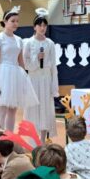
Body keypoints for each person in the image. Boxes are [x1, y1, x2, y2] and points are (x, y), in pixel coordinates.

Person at [0, 6, 38, 132]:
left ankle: (9, 136)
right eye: (12, 21)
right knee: (2, 109)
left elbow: (21, 61)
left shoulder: (19, 40)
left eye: (17, 21)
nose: (15, 23)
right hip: (3, 74)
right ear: (5, 21)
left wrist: (25, 79)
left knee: (13, 110)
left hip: (16, 75)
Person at [22, 8, 59, 142]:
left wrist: (54, 87)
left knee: (45, 109)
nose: (42, 28)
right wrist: (37, 59)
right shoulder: (28, 43)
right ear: (34, 27)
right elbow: (25, 64)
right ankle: (32, 140)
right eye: (40, 25)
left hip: (46, 79)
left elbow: (53, 66)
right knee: (32, 108)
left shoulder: (50, 43)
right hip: (33, 79)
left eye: (44, 25)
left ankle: (42, 140)